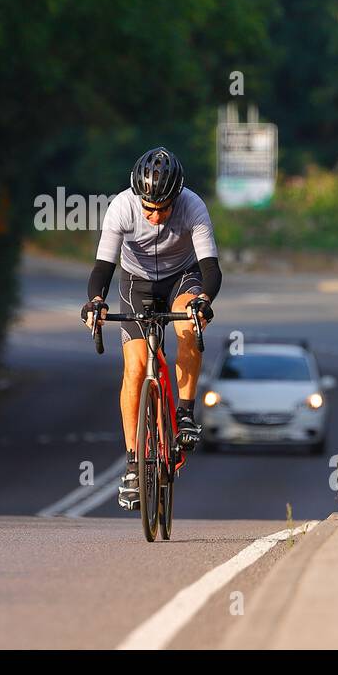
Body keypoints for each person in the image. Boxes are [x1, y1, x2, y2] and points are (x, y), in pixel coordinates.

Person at [80, 147, 223, 509]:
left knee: (188, 324)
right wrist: (96, 301)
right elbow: (102, 269)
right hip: (136, 283)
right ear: (137, 196)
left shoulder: (193, 206)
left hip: (182, 277)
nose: (155, 215)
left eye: (163, 207)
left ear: (177, 197)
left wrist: (203, 300)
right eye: (149, 207)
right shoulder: (121, 207)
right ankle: (132, 463)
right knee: (135, 367)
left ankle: (186, 415)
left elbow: (211, 270)